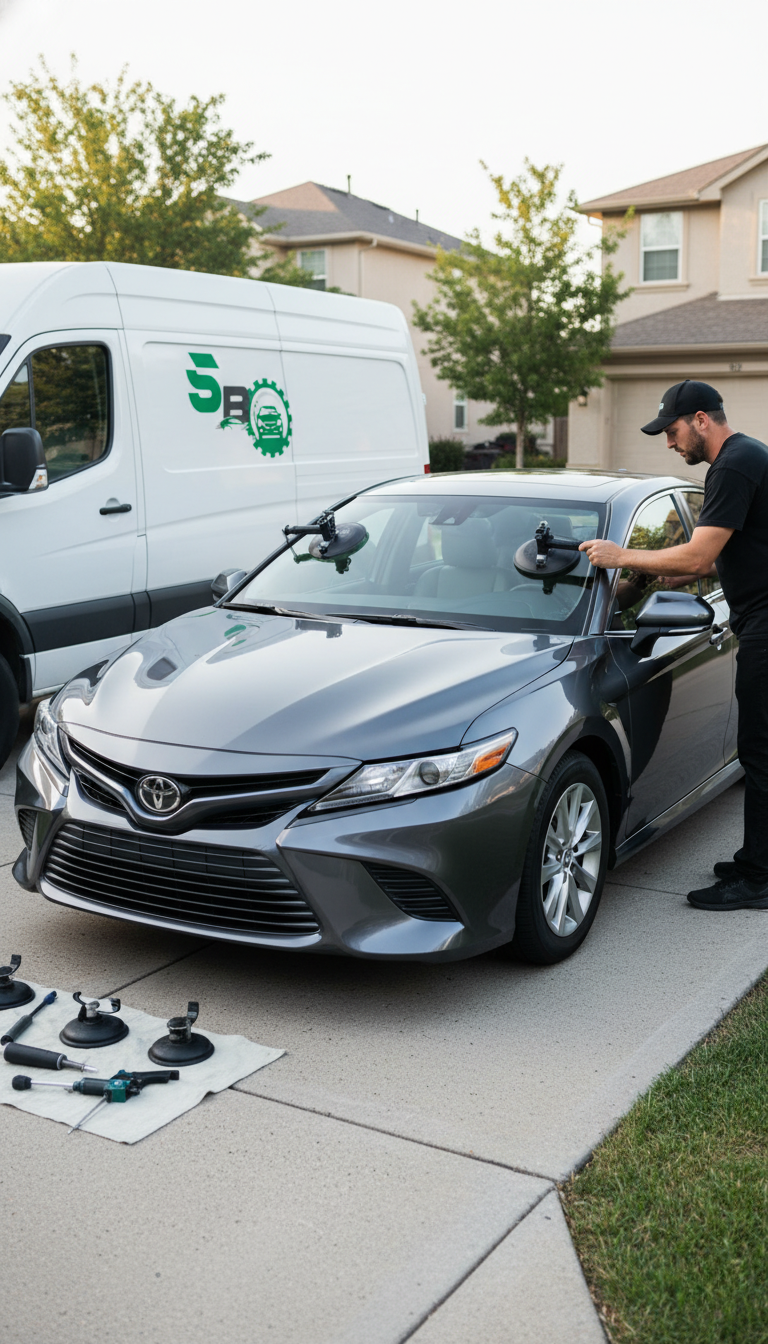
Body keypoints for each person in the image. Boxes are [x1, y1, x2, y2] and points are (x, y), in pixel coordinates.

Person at [579, 379, 768, 912]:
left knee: (760, 752)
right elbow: (707, 564)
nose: (668, 442)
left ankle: (757, 880)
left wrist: (622, 557)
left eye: (672, 429)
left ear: (702, 420)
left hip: (765, 623)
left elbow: (694, 555)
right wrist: (642, 583)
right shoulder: (743, 459)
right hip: (757, 619)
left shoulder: (733, 464)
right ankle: (759, 861)